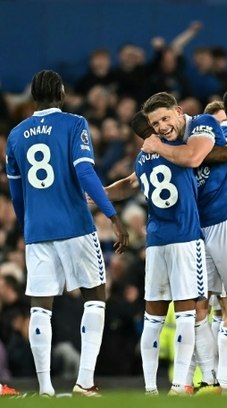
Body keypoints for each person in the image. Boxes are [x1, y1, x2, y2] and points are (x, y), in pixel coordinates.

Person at [5, 70, 129, 397]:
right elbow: (85, 172)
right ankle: (84, 382)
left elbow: (16, 195)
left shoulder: (16, 135)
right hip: (74, 224)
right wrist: (112, 216)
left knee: (39, 307)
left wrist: (27, 225)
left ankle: (45, 388)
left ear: (33, 96)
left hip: (37, 230)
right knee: (95, 297)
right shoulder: (74, 124)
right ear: (61, 93)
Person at [129, 105, 211, 396]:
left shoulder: (140, 160)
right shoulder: (179, 148)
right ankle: (179, 385)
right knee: (187, 314)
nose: (164, 127)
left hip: (155, 241)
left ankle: (150, 388)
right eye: (158, 124)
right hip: (185, 237)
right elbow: (195, 157)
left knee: (153, 317)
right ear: (152, 129)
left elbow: (131, 184)